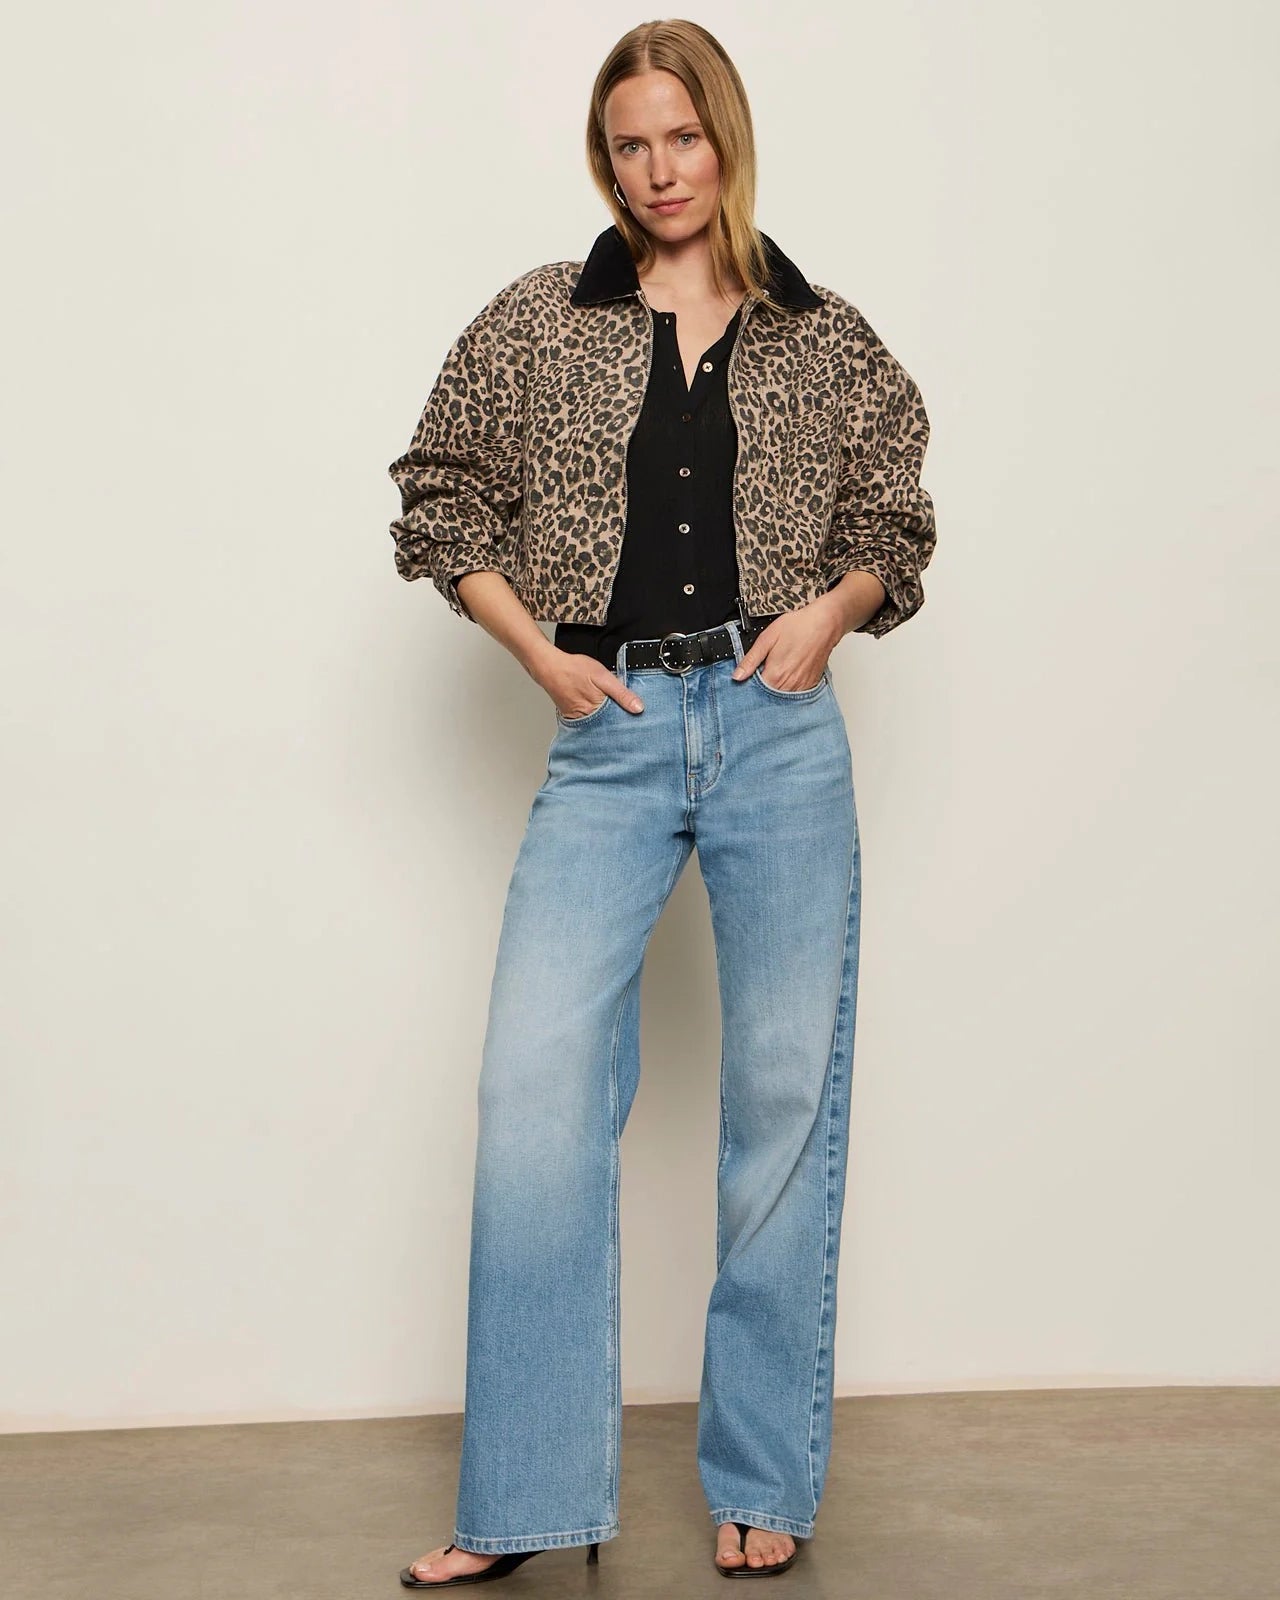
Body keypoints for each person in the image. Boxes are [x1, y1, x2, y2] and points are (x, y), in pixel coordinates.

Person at [386, 19, 936, 1587]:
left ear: (726, 139)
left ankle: (765, 1479)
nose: (659, 170)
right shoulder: (538, 320)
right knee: (535, 1091)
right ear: (605, 157)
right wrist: (537, 655)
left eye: (682, 138)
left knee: (782, 1103)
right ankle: (523, 1504)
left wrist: (827, 618)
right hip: (613, 726)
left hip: (777, 730)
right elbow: (438, 494)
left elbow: (896, 516)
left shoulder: (821, 334)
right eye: (630, 144)